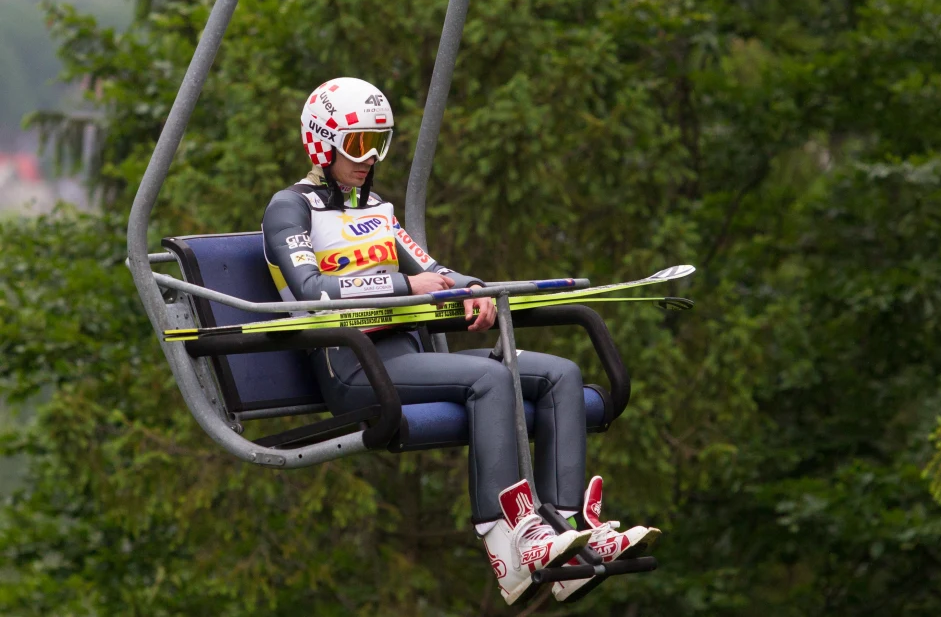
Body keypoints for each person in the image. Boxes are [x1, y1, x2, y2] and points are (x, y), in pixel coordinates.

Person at [260, 77, 659, 604]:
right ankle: (506, 545)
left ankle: (562, 533)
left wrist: (471, 288)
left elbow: (432, 269)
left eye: (381, 141)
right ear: (322, 141)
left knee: (560, 373)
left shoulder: (376, 208)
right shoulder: (291, 209)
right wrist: (407, 286)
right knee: (491, 378)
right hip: (354, 367)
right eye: (358, 143)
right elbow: (311, 290)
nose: (370, 155)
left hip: (407, 360)